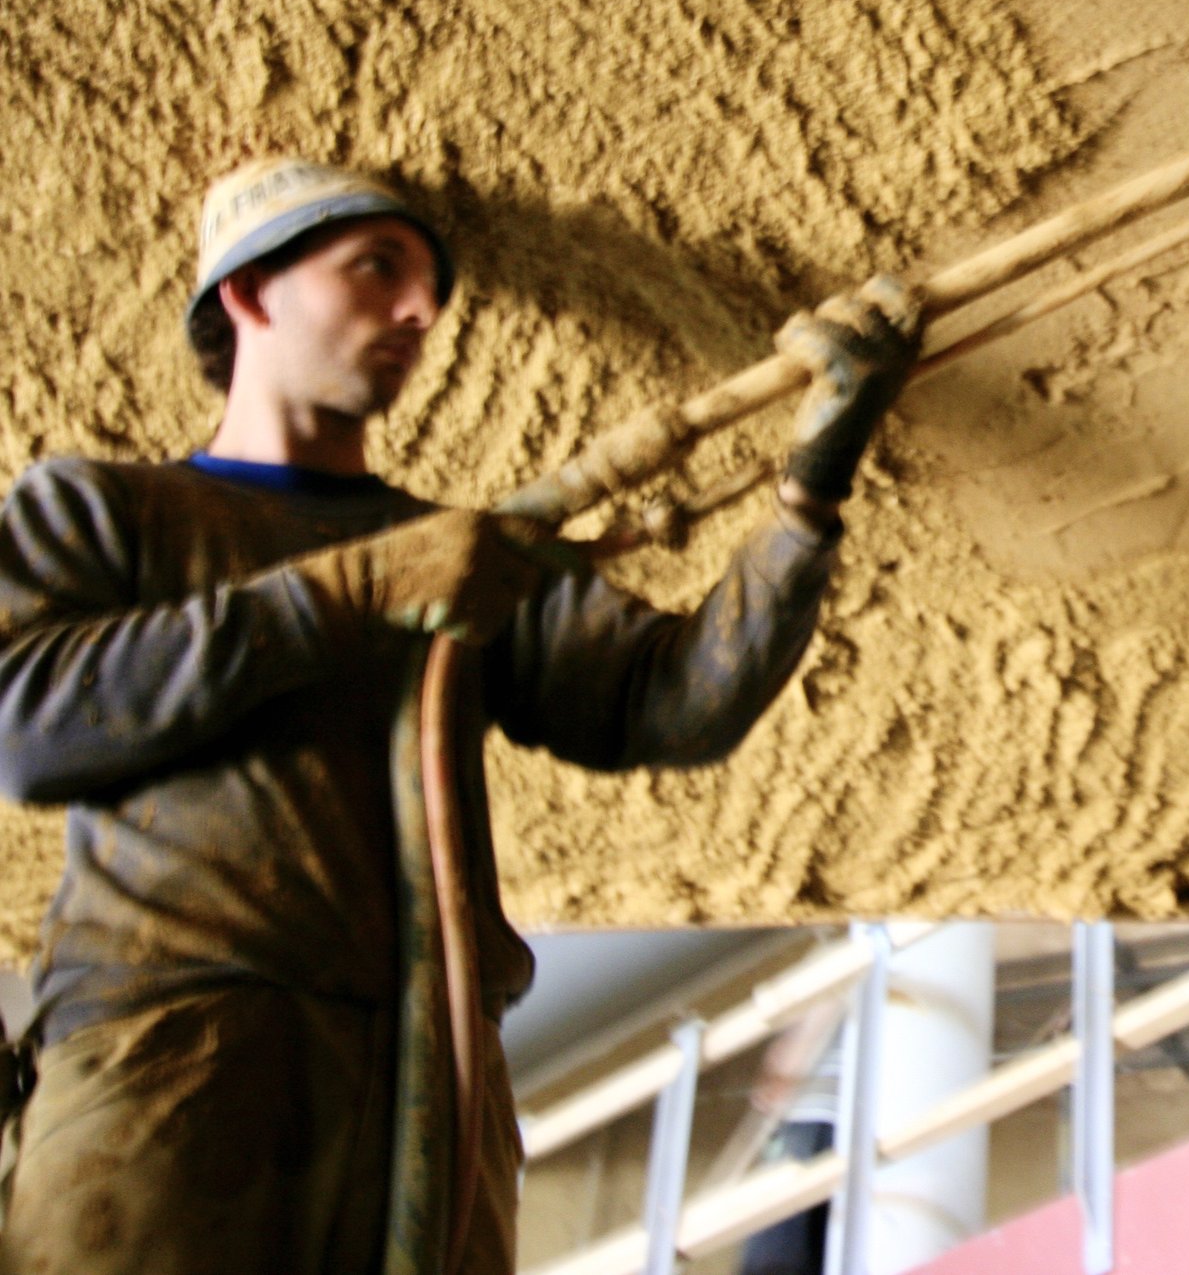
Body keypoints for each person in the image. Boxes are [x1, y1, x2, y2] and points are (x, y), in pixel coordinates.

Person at [0, 158, 917, 1274]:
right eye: (376, 268)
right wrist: (348, 592)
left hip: (434, 1085)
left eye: (429, 285)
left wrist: (810, 491)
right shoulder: (105, 509)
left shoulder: (470, 555)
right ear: (247, 292)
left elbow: (669, 705)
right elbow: (26, 723)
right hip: (180, 1064)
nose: (421, 311)